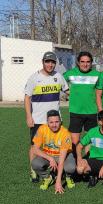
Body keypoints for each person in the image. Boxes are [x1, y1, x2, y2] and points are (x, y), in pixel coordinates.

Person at [24, 51, 69, 182]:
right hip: (38, 119)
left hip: (55, 120)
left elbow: (68, 91)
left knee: (56, 145)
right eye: (47, 62)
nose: (50, 64)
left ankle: (57, 169)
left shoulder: (59, 76)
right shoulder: (34, 78)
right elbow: (27, 98)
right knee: (34, 146)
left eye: (52, 62)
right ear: (42, 62)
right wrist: (28, 116)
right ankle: (33, 170)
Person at [31, 110, 75, 194]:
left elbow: (61, 161)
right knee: (35, 163)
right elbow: (34, 149)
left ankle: (68, 177)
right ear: (47, 122)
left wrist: (58, 182)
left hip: (63, 156)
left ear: (60, 121)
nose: (54, 125)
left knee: (70, 168)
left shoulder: (65, 133)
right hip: (49, 155)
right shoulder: (42, 129)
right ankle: (48, 178)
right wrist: (50, 158)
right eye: (51, 122)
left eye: (57, 122)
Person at [63, 51, 100, 150]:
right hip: (76, 111)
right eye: (82, 61)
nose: (85, 64)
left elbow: (101, 91)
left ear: (91, 62)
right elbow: (59, 81)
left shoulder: (97, 75)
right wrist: (69, 92)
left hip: (91, 111)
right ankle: (75, 162)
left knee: (90, 140)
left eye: (88, 62)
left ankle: (88, 162)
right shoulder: (70, 73)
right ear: (78, 62)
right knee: (74, 141)